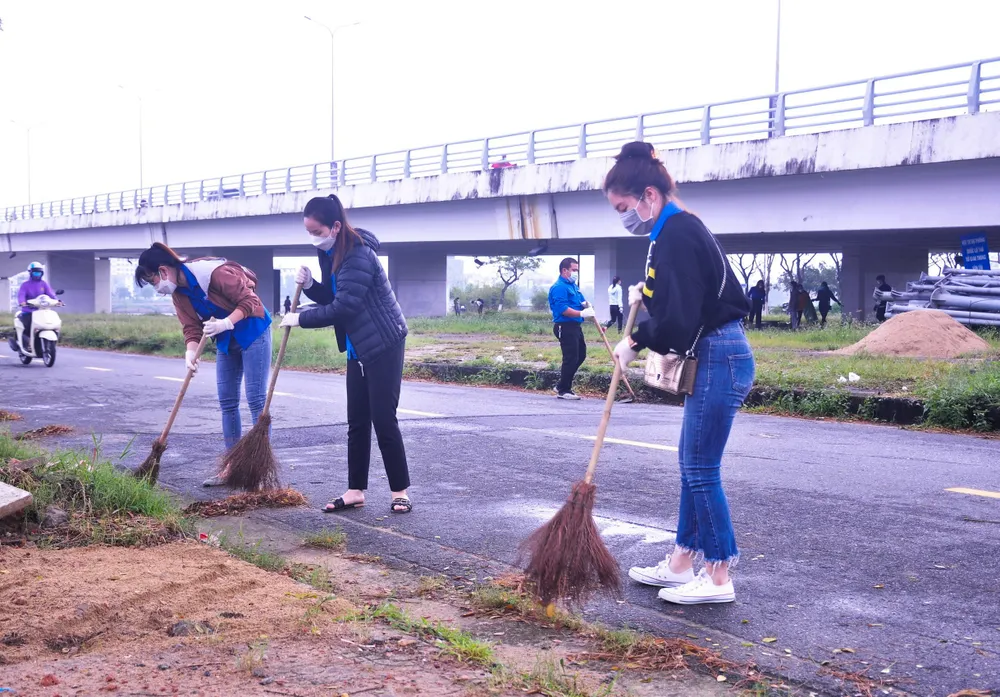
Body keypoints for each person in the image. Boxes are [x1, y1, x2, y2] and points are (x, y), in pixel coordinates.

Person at [606, 141, 754, 605]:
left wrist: (635, 340)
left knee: (700, 468)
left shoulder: (678, 233)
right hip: (713, 352)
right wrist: (646, 295)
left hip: (718, 353)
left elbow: (684, 317)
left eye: (624, 207)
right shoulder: (670, 231)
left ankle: (717, 577)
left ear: (648, 195)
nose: (624, 216)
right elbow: (682, 295)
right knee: (692, 466)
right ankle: (681, 562)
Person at [280, 194, 412, 515]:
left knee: (383, 419)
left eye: (316, 231)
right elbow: (332, 295)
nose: (313, 238)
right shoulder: (330, 252)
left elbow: (345, 306)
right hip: (357, 346)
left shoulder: (359, 255)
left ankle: (400, 491)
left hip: (383, 343)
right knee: (356, 422)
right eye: (308, 232)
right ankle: (355, 491)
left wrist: (301, 318)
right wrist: (312, 285)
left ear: (335, 226)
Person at [134, 243, 272, 485]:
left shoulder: (213, 272)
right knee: (227, 402)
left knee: (256, 400)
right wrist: (190, 353)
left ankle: (257, 469)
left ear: (164, 270)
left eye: (153, 280)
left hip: (253, 331)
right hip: (226, 340)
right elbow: (191, 328)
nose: (156, 288)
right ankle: (231, 467)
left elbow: (250, 301)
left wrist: (226, 322)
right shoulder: (179, 294)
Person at [548, 257, 594, 400]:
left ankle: (561, 385)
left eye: (577, 270)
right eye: (574, 270)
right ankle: (564, 390)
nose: (576, 273)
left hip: (575, 326)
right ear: (564, 270)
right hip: (564, 326)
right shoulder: (559, 287)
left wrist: (586, 304)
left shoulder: (572, 285)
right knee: (570, 357)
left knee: (581, 355)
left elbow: (580, 300)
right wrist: (582, 313)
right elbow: (563, 309)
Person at [14, 262, 56, 349]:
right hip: (28, 311)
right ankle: (27, 343)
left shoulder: (44, 284)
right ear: (30, 273)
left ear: (42, 273)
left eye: (39, 273)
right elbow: (21, 295)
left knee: (51, 322)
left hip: (42, 310)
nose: (37, 275)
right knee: (28, 326)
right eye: (35, 273)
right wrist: (23, 302)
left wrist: (58, 301)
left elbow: (51, 294)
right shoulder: (25, 285)